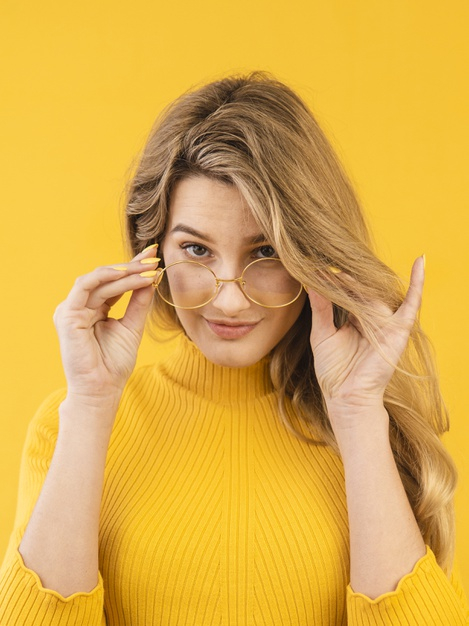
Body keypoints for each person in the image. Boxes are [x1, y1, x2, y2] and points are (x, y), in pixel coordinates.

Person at [0, 72, 468, 626]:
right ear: (151, 252)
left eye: (265, 250)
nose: (227, 299)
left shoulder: (368, 433)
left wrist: (358, 415)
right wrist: (93, 404)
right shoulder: (69, 424)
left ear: (311, 252)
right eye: (196, 248)